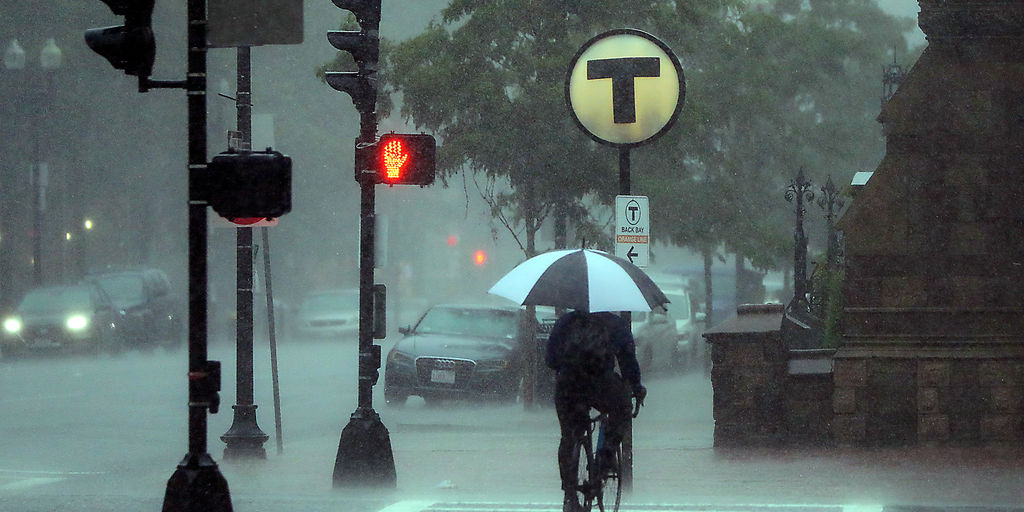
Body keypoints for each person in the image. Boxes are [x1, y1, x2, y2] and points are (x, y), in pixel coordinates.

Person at [545, 309, 646, 512]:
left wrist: (567, 369)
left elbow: (550, 359)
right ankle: (607, 453)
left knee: (568, 436)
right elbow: (627, 362)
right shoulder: (615, 324)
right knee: (622, 406)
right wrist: (636, 388)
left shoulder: (566, 322)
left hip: (568, 384)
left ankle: (569, 495)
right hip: (600, 382)